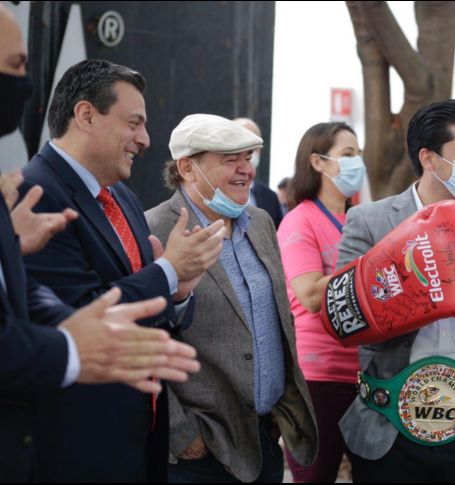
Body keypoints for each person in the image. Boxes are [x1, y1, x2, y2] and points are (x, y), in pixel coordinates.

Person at [0, 7, 200, 480]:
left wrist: (179, 289)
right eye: (134, 123)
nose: (146, 139)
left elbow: (148, 309)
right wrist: (168, 269)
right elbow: (81, 315)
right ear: (86, 115)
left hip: (136, 435)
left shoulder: (123, 197)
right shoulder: (37, 193)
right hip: (74, 445)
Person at [336, 100, 455, 482]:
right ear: (429, 159)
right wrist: (417, 293)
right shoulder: (369, 221)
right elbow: (343, 321)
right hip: (389, 426)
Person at [146, 114, 318, 482]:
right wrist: (182, 435)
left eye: (248, 158)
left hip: (265, 439)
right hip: (199, 452)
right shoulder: (152, 229)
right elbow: (141, 339)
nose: (246, 170)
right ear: (187, 167)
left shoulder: (259, 222)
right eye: (230, 159)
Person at [276, 122, 366, 482]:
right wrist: (372, 269)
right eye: (348, 155)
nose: (357, 163)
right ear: (318, 162)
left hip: (369, 375)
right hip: (319, 377)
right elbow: (311, 294)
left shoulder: (363, 219)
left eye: (359, 155)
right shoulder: (301, 221)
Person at [233, 117, 284, 229]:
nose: (248, 155)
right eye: (241, 146)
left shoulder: (270, 197)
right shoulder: (214, 194)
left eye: (253, 148)